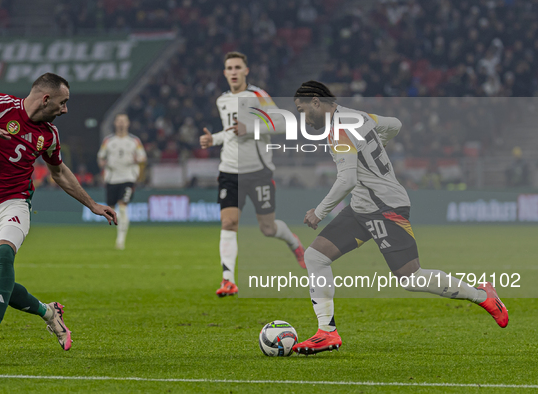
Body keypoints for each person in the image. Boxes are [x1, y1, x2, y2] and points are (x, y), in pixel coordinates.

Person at [290, 81, 508, 355]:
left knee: (411, 277)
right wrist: (373, 147)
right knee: (315, 256)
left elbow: (347, 179)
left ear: (316, 101)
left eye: (303, 109)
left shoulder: (339, 129)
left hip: (384, 206)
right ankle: (327, 333)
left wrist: (319, 212)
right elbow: (394, 124)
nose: (303, 117)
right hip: (362, 206)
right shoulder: (358, 116)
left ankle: (482, 295)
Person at [0, 73, 117, 362]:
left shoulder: (49, 135)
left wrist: (92, 204)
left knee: (5, 256)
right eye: (63, 103)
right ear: (46, 98)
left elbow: (59, 172)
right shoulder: (1, 105)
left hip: (15, 203)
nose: (65, 109)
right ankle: (49, 312)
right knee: (1, 289)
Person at [199, 51, 305, 297]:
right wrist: (212, 139)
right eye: (229, 68)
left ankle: (294, 243)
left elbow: (284, 123)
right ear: (224, 73)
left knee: (267, 228)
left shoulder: (259, 96)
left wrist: (252, 128)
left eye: (238, 67)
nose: (234, 72)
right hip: (229, 171)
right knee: (228, 222)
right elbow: (230, 132)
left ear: (246, 71)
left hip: (258, 172)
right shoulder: (222, 100)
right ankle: (228, 280)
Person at [97, 113, 147, 250]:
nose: (121, 123)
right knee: (111, 208)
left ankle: (120, 240)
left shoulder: (134, 141)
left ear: (128, 123)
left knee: (123, 206)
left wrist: (138, 161)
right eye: (118, 121)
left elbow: (143, 157)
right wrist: (103, 165)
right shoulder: (108, 141)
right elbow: (101, 157)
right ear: (115, 123)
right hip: (112, 178)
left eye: (123, 121)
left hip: (128, 178)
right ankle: (118, 234)